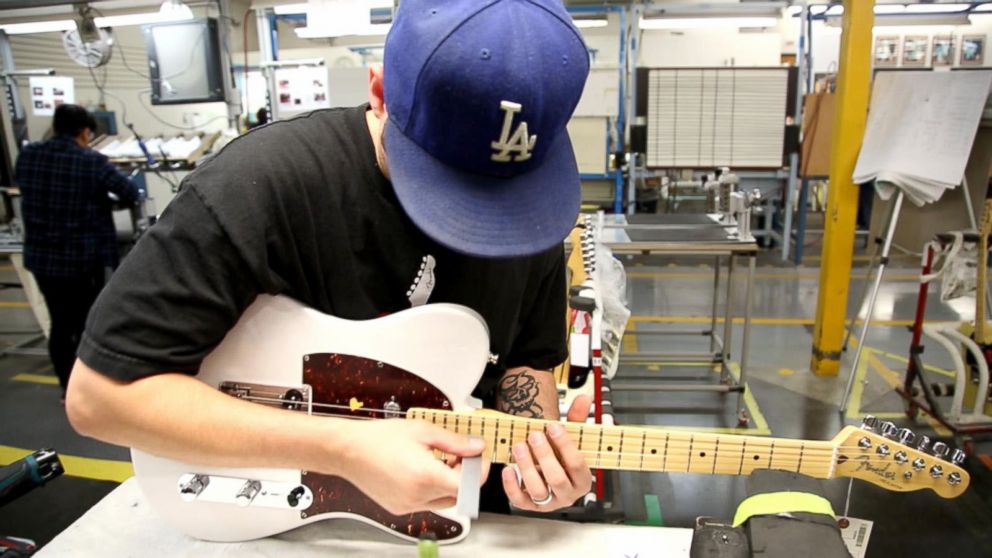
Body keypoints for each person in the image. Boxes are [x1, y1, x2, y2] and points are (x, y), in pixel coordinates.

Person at [67, 0, 593, 517]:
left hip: (465, 515)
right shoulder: (259, 188)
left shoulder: (538, 215)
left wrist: (539, 467)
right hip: (277, 516)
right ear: (380, 92)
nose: (481, 219)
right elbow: (100, 399)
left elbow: (526, 361)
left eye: (505, 193)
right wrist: (343, 449)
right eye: (448, 179)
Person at [15, 104, 141, 401]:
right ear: (85, 133)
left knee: (59, 322)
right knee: (89, 324)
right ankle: (89, 390)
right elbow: (129, 193)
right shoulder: (91, 161)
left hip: (42, 258)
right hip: (82, 259)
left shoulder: (28, 156)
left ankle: (65, 387)